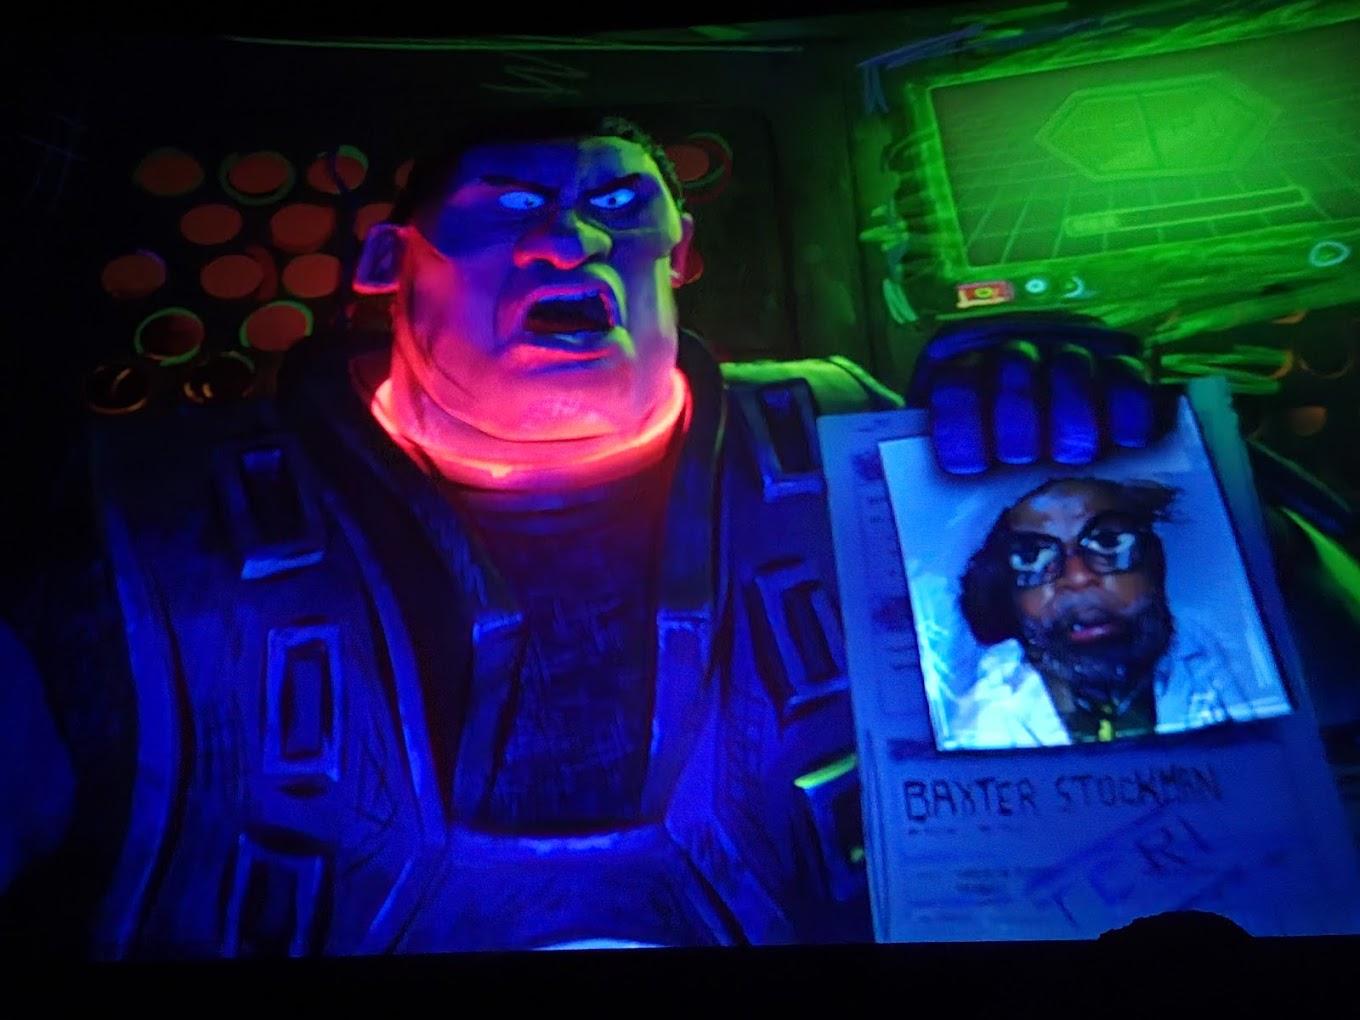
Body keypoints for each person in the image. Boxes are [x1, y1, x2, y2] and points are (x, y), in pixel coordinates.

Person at [0, 108, 1348, 957]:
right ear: (384, 261)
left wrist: (1144, 477)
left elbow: (1312, 715)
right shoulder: (142, 526)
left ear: (680, 252)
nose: (568, 241)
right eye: (507, 207)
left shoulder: (888, 468)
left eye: (617, 207)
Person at [952, 478, 1258, 748]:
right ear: (1008, 593)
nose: (1078, 577)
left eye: (1108, 542)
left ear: (1154, 561)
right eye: (1032, 557)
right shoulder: (982, 722)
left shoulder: (1237, 661)